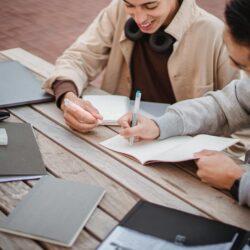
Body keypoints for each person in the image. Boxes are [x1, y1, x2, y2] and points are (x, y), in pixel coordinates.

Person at [118, 0, 250, 207]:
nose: (236, 69)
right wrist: (159, 126)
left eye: (243, 65)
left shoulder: (207, 29)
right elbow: (222, 106)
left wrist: (238, 182)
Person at [42, 0, 238, 133]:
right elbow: (79, 57)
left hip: (187, 156)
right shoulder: (117, 9)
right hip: (118, 135)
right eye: (130, 5)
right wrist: (68, 97)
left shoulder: (216, 34)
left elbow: (240, 115)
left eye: (150, 5)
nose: (140, 19)